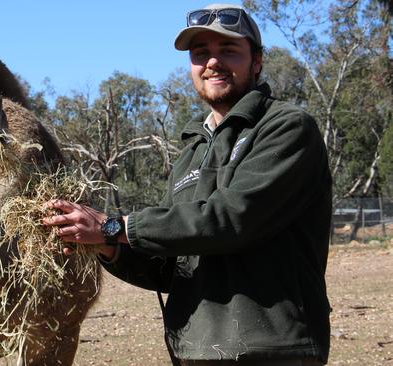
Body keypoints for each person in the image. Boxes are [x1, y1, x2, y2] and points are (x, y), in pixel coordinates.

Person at [42, 3, 332, 365]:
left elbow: (230, 219)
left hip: (271, 349)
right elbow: (174, 265)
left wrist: (114, 226)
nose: (212, 62)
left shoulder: (286, 127)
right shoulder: (191, 151)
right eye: (201, 54)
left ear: (256, 61)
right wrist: (107, 246)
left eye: (228, 50)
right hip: (194, 350)